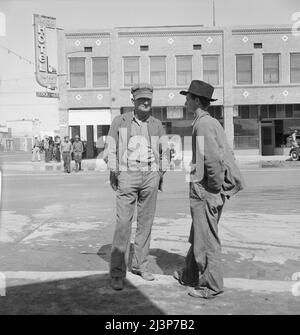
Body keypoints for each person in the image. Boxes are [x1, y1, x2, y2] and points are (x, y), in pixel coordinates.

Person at [173, 80, 245, 299]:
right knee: (198, 234)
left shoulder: (203, 124)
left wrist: (212, 189)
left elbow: (212, 160)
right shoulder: (208, 121)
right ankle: (190, 275)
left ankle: (210, 286)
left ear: (196, 100)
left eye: (188, 98)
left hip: (206, 190)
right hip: (205, 187)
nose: (185, 101)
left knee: (206, 239)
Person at [106, 83, 168, 291]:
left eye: (148, 99)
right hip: (127, 175)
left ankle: (140, 265)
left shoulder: (157, 124)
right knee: (123, 223)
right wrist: (117, 172)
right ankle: (117, 272)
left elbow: (166, 149)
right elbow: (110, 148)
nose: (145, 102)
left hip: (150, 175)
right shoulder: (120, 121)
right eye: (141, 98)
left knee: (145, 223)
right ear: (133, 100)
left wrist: (160, 172)